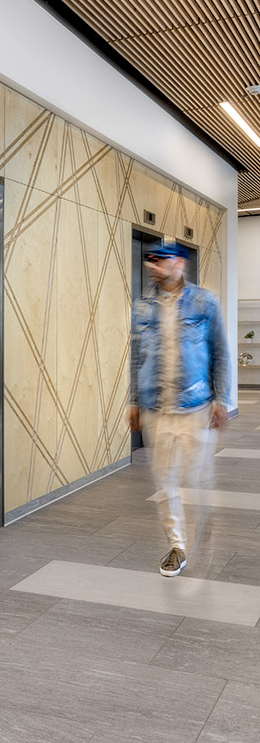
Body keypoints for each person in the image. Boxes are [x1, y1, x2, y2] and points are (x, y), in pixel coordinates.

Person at [130, 243, 230, 576]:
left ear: (178, 263)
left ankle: (202, 529)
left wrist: (221, 399)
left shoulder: (205, 301)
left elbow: (220, 352)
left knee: (196, 478)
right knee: (165, 482)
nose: (152, 266)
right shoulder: (142, 306)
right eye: (150, 261)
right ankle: (177, 546)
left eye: (159, 260)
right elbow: (136, 357)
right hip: (155, 406)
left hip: (196, 406)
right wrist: (134, 401)